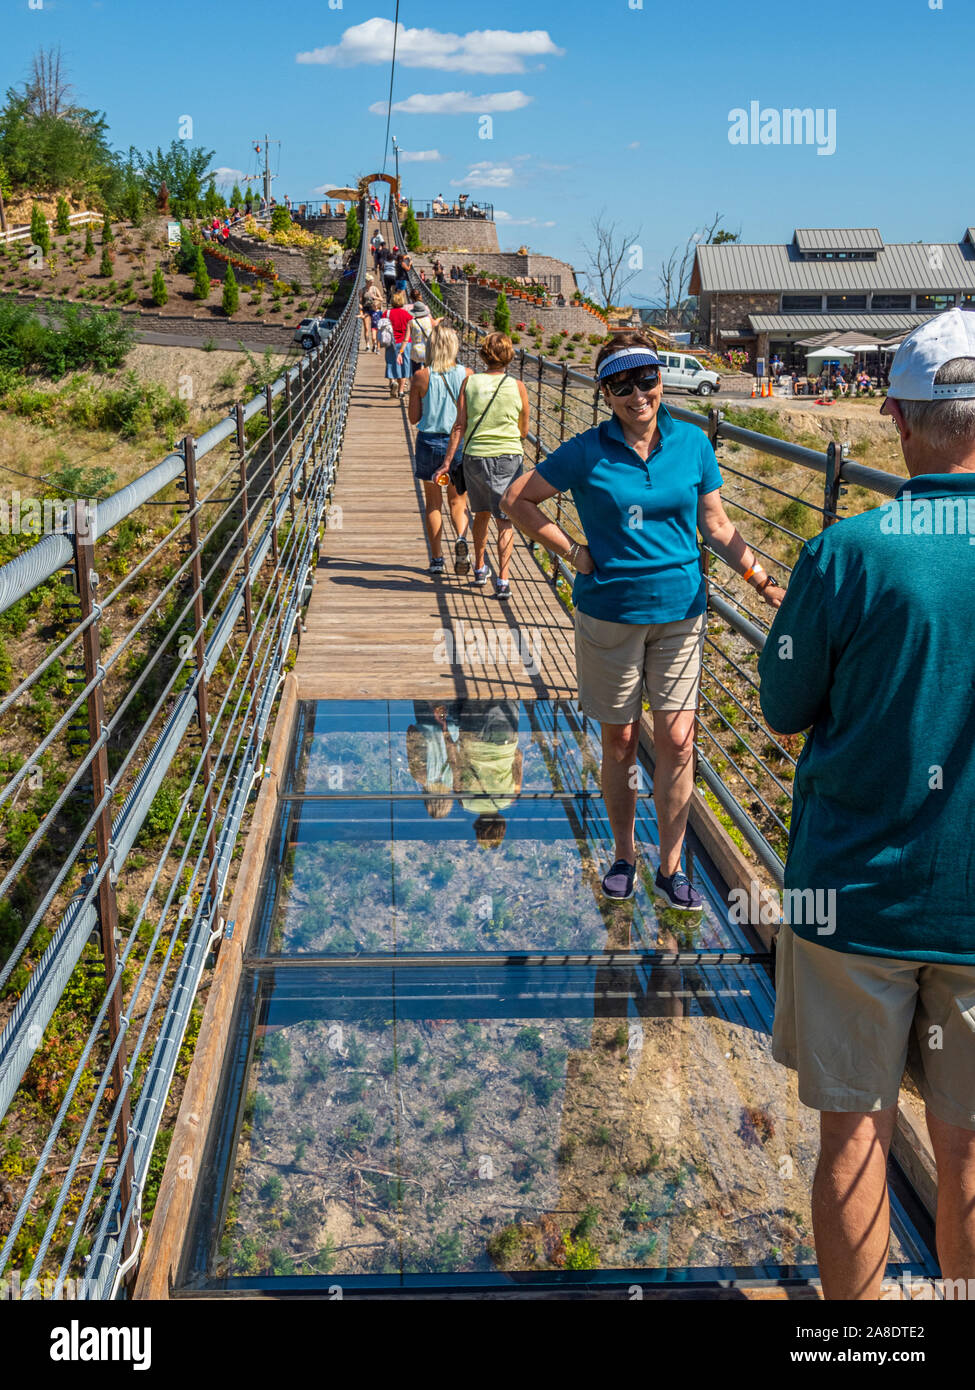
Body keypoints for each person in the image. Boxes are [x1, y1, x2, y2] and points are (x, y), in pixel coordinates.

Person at [758, 308, 975, 1301]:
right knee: (967, 1145)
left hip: (849, 900)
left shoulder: (846, 555)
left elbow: (780, 707)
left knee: (854, 1135)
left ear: (896, 415)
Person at [502, 331, 785, 906]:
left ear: (662, 379)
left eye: (647, 379)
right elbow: (517, 499)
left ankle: (672, 866)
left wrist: (762, 580)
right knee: (622, 741)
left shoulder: (692, 445)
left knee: (679, 741)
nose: (639, 395)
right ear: (605, 393)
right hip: (609, 615)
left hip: (681, 612)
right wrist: (574, 553)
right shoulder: (587, 450)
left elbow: (718, 526)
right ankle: (625, 855)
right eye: (622, 385)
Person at [443, 333, 530, 601]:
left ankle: (479, 568)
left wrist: (446, 463)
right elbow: (523, 431)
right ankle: (503, 580)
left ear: (483, 355)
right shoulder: (518, 386)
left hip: (475, 456)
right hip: (508, 458)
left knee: (480, 513)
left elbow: (460, 425)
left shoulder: (470, 382)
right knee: (505, 520)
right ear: (508, 356)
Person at [408, 322, 472, 577]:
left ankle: (436, 559)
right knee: (458, 501)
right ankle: (461, 539)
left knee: (433, 504)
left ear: (432, 347)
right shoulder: (467, 374)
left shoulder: (421, 377)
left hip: (429, 442)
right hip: (457, 444)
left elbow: (413, 418)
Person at [384, 290, 413, 399]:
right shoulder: (408, 315)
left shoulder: (386, 313)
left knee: (391, 363)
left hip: (391, 342)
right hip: (405, 344)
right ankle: (401, 391)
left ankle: (392, 382)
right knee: (404, 366)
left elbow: (381, 326)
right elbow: (411, 329)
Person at [360, 275, 383, 352]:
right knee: (366, 327)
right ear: (367, 282)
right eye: (371, 282)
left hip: (374, 309)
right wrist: (360, 306)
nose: (372, 283)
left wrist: (375, 297)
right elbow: (360, 301)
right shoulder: (362, 290)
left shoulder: (375, 289)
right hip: (366, 309)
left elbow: (381, 299)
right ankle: (367, 345)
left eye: (372, 282)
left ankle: (375, 345)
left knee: (374, 328)